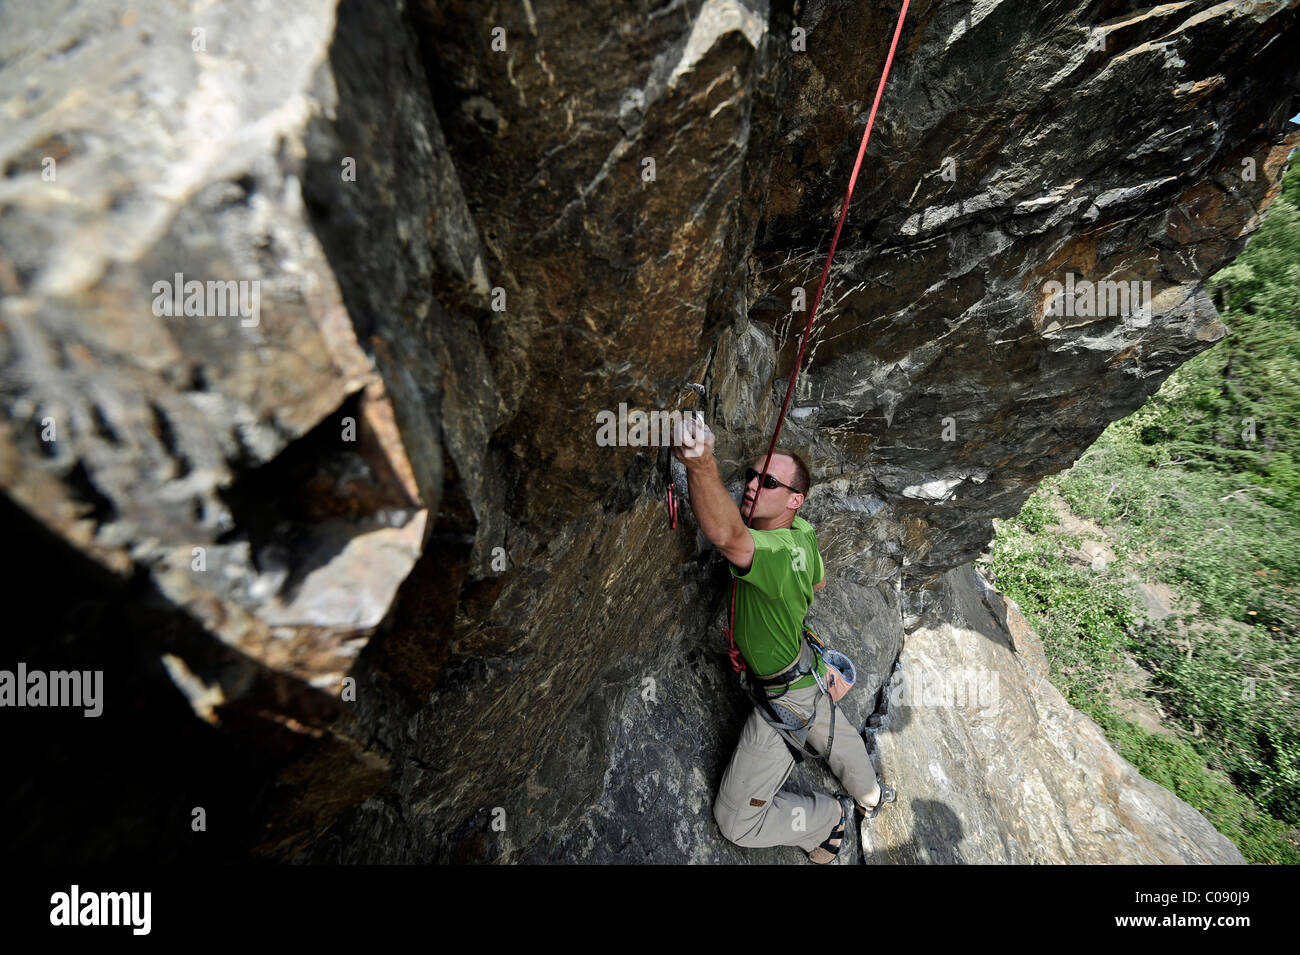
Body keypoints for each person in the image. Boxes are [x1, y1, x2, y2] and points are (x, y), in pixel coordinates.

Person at [672, 414, 894, 863]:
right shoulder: (802, 533)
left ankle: (826, 818)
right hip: (804, 671)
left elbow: (727, 536)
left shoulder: (774, 551)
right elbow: (818, 582)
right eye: (752, 475)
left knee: (736, 823)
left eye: (768, 481)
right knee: (832, 730)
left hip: (781, 695)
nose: (753, 484)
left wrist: (700, 464)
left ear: (795, 499)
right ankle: (869, 793)